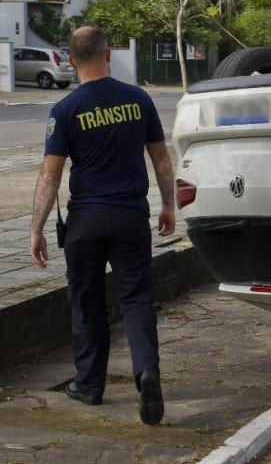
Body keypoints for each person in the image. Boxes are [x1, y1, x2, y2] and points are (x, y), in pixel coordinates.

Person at [29, 26, 175, 425]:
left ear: (71, 60)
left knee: (87, 300)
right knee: (137, 299)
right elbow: (161, 160)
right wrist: (168, 205)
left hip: (85, 221)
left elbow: (50, 176)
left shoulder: (65, 109)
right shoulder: (139, 99)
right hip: (130, 217)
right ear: (108, 54)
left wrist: (36, 229)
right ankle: (147, 370)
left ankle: (89, 386)